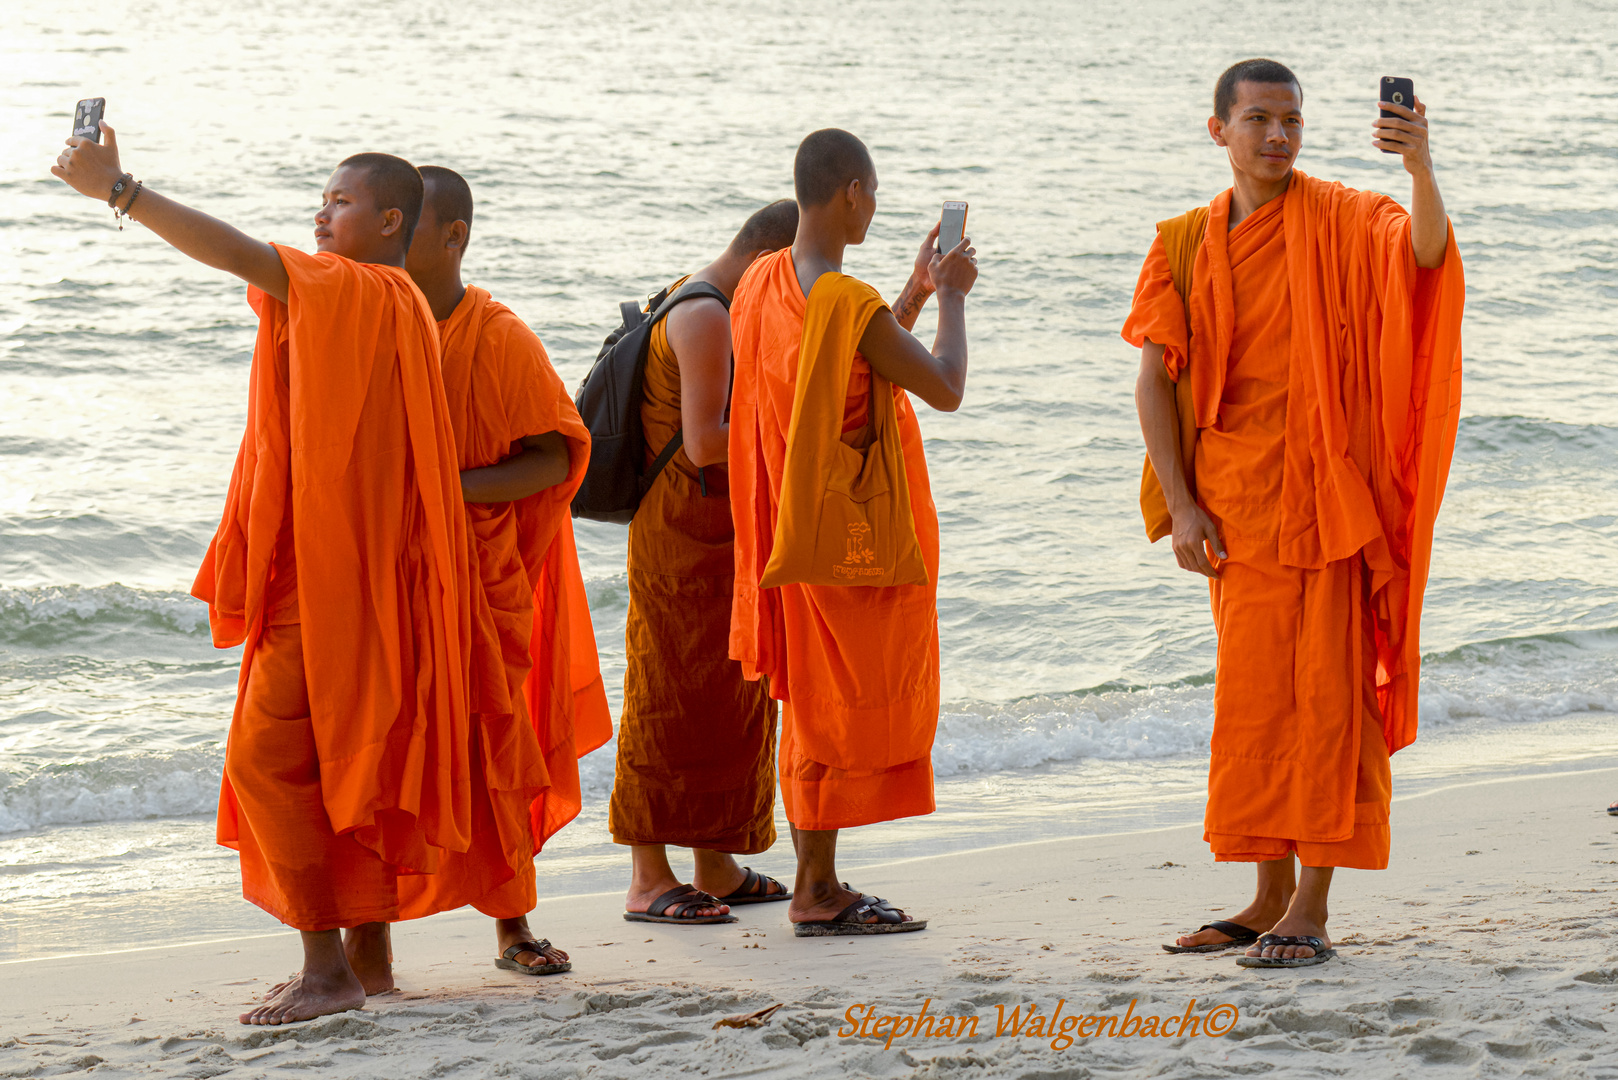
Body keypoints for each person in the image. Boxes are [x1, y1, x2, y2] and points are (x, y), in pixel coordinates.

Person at [53, 129, 474, 1021]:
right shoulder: (398, 297)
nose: (321, 212)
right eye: (321, 199)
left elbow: (240, 254)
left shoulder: (356, 286)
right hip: (364, 574)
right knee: (338, 762)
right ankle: (368, 957)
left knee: (264, 760)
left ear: (390, 219)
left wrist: (120, 190)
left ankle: (326, 972)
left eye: (340, 201)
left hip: (330, 582)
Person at [1126, 59, 1465, 967]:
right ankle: (1267, 892)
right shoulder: (1185, 243)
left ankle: (1311, 904)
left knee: (1329, 701)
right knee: (1256, 707)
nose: (1278, 136)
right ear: (1219, 130)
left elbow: (1426, 257)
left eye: (1293, 121)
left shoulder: (1345, 216)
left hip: (1326, 502)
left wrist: (1419, 167)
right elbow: (1155, 381)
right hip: (1233, 510)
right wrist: (1185, 504)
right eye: (1259, 120)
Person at [729, 129, 978, 935]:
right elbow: (941, 386)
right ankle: (817, 890)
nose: (874, 208)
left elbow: (855, 373)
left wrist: (910, 292)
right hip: (853, 537)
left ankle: (818, 881)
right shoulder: (845, 301)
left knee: (809, 698)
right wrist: (953, 299)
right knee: (836, 703)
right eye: (872, 194)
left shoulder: (763, 283)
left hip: (787, 527)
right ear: (851, 195)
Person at [387, 166, 612, 972]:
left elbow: (555, 459)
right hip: (395, 577)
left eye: (408, 228)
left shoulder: (498, 337)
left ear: (455, 237)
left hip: (480, 576)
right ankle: (364, 935)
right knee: (388, 745)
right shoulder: (375, 323)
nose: (389, 241)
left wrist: (446, 492)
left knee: (493, 742)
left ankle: (513, 927)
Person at [609, 200, 801, 925]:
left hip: (722, 535)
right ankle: (648, 878)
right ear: (766, 261)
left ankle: (714, 863)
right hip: (678, 541)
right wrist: (793, 409)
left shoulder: (721, 303)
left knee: (729, 697)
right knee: (667, 695)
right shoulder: (701, 315)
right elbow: (704, 441)